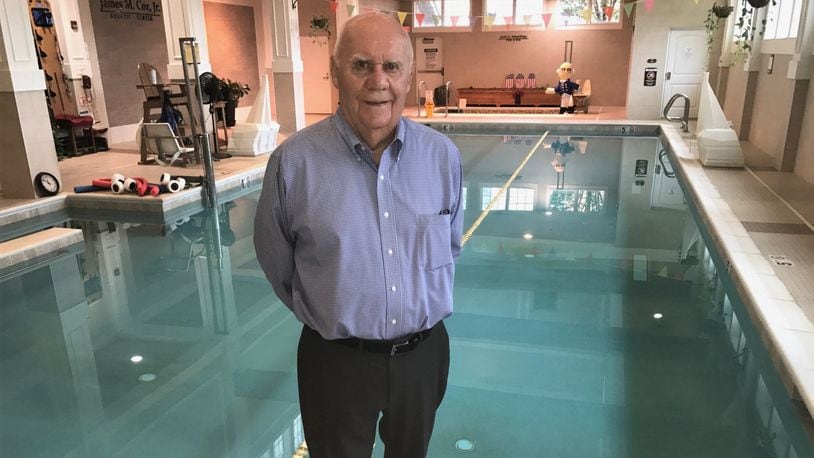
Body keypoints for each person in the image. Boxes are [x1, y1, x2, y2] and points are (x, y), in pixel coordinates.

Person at [254, 12, 463, 458]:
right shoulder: (294, 164)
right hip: (335, 360)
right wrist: (331, 308)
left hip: (423, 356)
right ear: (335, 73)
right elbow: (278, 262)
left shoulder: (442, 158)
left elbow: (450, 246)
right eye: (361, 65)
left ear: (409, 75)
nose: (378, 81)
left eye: (391, 66)